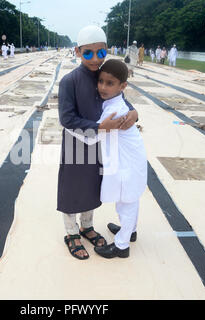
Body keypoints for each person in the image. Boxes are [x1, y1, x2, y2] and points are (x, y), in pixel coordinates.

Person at [58, 25, 138, 260]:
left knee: (92, 186)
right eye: (88, 53)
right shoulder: (69, 81)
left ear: (106, 51)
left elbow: (121, 99)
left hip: (99, 145)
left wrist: (134, 113)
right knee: (72, 188)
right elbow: (67, 118)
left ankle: (87, 226)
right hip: (76, 144)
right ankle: (71, 232)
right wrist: (100, 127)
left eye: (100, 53)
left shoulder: (105, 76)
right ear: (77, 52)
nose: (95, 58)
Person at [69, 59, 147, 259]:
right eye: (101, 81)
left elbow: (95, 131)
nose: (103, 87)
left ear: (123, 86)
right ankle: (130, 231)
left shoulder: (116, 110)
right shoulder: (114, 102)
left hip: (128, 163)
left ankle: (122, 246)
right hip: (127, 160)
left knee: (127, 201)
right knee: (129, 198)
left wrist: (71, 128)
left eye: (109, 83)